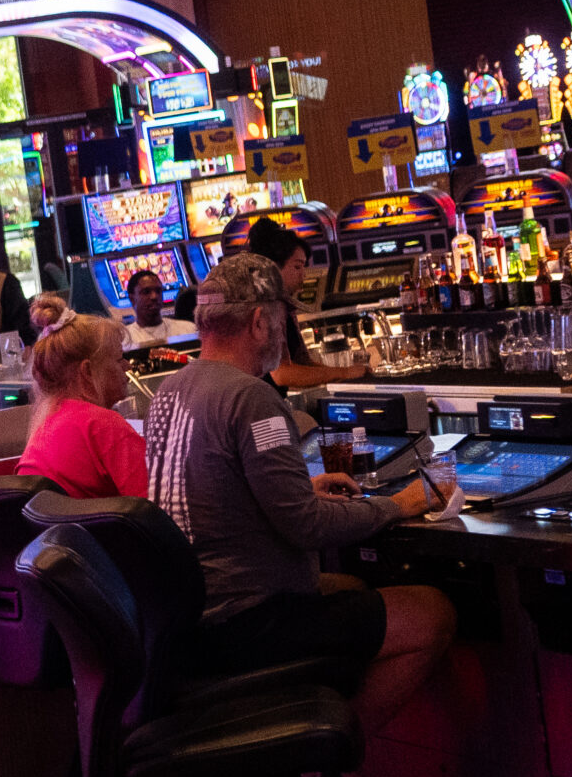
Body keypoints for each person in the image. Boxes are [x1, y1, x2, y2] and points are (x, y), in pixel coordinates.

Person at [141, 253, 454, 737]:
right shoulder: (252, 396)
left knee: (349, 588)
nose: (286, 330)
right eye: (284, 318)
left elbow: (204, 489)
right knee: (432, 613)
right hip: (246, 623)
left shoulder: (169, 391)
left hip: (185, 622)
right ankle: (333, 754)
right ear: (261, 322)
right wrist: (401, 503)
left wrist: (298, 489)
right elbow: (305, 526)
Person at [18, 308, 147, 499]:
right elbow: (158, 508)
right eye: (119, 359)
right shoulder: (105, 426)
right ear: (87, 371)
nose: (127, 367)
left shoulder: (44, 426)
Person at [243, 218, 369, 388]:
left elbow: (303, 362)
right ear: (272, 268)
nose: (304, 275)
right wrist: (344, 373)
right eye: (297, 267)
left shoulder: (282, 304)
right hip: (256, 406)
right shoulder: (267, 306)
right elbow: (282, 374)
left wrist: (344, 376)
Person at [116, 269, 195, 349]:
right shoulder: (123, 339)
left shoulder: (189, 329)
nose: (154, 296)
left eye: (158, 291)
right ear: (132, 299)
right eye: (146, 292)